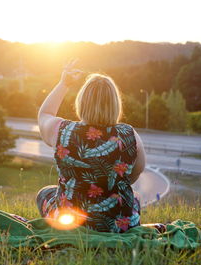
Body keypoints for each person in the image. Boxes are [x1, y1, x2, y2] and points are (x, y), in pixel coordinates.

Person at [36, 59, 146, 233]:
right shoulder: (130, 135)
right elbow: (136, 172)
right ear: (115, 104)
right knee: (136, 197)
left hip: (70, 224)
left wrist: (64, 84)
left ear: (82, 102)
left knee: (45, 193)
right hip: (119, 227)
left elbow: (44, 114)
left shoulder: (62, 130)